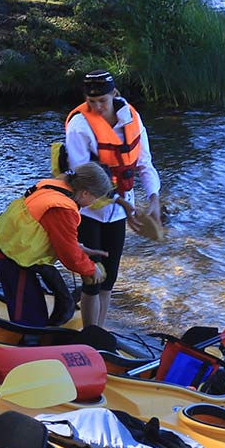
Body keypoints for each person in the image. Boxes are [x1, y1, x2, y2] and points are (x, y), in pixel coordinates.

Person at [64, 70, 162, 329]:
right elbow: (83, 178)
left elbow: (144, 163)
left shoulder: (132, 120)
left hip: (118, 214)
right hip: (89, 211)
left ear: (114, 94)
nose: (97, 107)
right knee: (92, 278)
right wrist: (123, 202)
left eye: (102, 101)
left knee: (109, 280)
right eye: (91, 101)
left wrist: (153, 197)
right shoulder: (79, 126)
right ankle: (89, 334)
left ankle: (99, 330)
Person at [0, 163, 112, 328]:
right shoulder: (63, 210)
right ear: (85, 193)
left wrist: (79, 248)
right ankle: (26, 346)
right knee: (30, 320)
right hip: (13, 260)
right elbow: (69, 256)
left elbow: (51, 233)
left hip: (9, 250)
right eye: (95, 198)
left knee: (33, 311)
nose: (94, 203)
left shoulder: (54, 187)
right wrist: (91, 269)